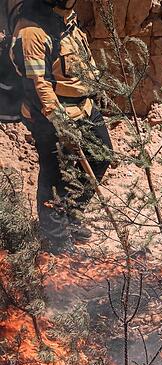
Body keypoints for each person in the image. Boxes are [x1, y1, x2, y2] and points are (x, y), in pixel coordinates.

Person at [12, 0, 111, 254]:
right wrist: (61, 124)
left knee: (101, 155)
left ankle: (70, 215)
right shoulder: (32, 30)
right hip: (50, 115)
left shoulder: (66, 18)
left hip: (84, 107)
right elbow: (39, 85)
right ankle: (55, 239)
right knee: (54, 177)